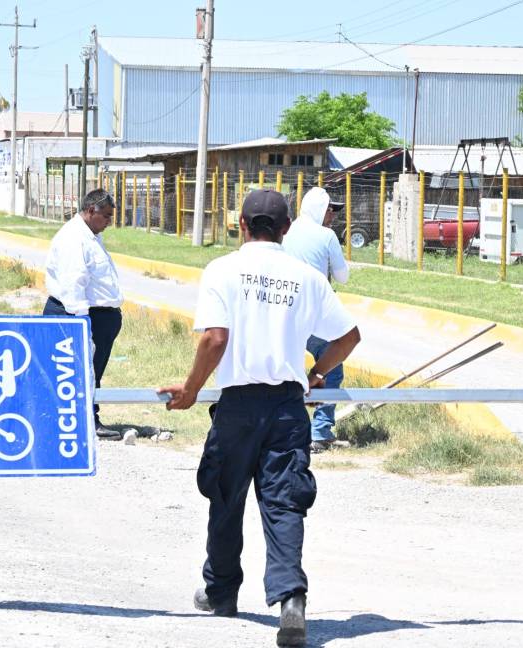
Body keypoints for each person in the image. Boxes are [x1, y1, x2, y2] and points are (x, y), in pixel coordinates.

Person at [159, 189, 361, 647]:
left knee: (225, 497)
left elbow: (214, 339)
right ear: (287, 229)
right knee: (285, 502)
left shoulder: (222, 270)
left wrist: (190, 390)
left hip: (237, 406)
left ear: (241, 225)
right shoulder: (307, 277)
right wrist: (319, 371)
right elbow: (349, 336)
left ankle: (221, 590)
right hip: (287, 407)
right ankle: (291, 598)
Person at [43, 188, 124, 440]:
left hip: (98, 317)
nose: (110, 222)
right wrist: (82, 326)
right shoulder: (74, 238)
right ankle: (84, 420)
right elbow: (73, 283)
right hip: (78, 316)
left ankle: (84, 416)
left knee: (91, 372)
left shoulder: (90, 234)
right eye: (107, 216)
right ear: (91, 211)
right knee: (78, 371)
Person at [282, 187, 350, 453]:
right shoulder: (327, 236)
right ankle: (320, 432)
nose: (333, 215)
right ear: (319, 210)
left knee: (288, 371)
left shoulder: (287, 230)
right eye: (330, 210)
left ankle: (287, 426)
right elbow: (343, 277)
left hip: (285, 313)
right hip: (315, 314)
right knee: (331, 365)